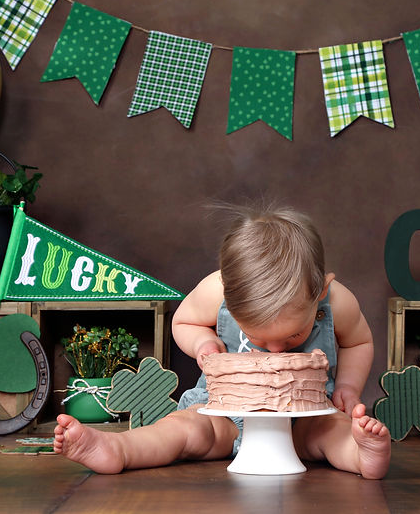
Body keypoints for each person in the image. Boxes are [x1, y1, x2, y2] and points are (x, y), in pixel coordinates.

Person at [53, 205, 391, 479]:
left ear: (318, 292)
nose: (276, 351)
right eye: (258, 338)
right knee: (183, 429)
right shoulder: (215, 290)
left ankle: (361, 455)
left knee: (330, 432)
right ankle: (119, 450)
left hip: (304, 414)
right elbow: (184, 320)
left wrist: (348, 386)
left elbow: (358, 343)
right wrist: (203, 341)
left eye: (293, 336)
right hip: (225, 412)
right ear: (229, 294)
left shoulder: (338, 301)